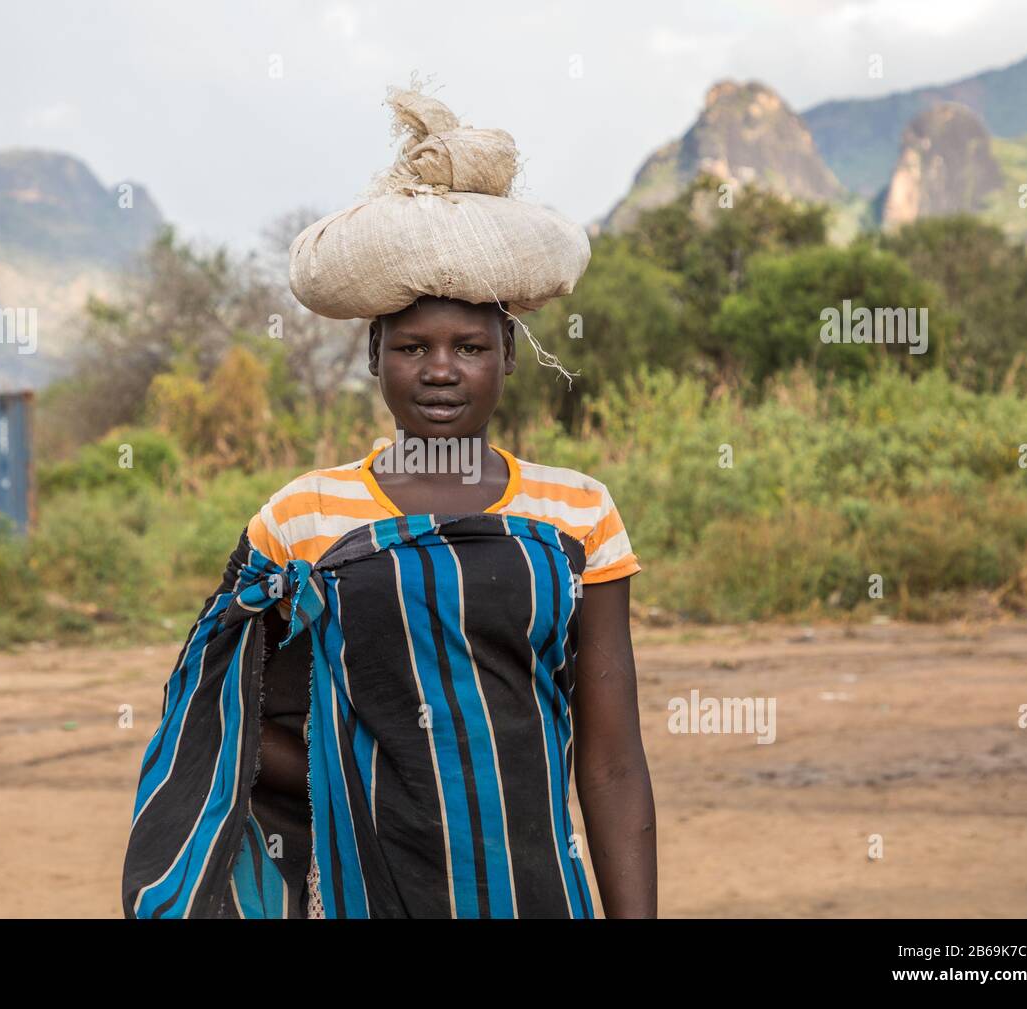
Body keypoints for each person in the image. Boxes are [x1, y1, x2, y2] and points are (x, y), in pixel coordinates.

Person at [121, 83, 657, 919]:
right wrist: (364, 770)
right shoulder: (302, 518)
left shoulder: (578, 512)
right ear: (374, 357)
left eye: (470, 346)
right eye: (412, 346)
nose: (441, 369)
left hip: (540, 893)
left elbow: (613, 757)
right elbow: (224, 712)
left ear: (508, 357)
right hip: (369, 895)